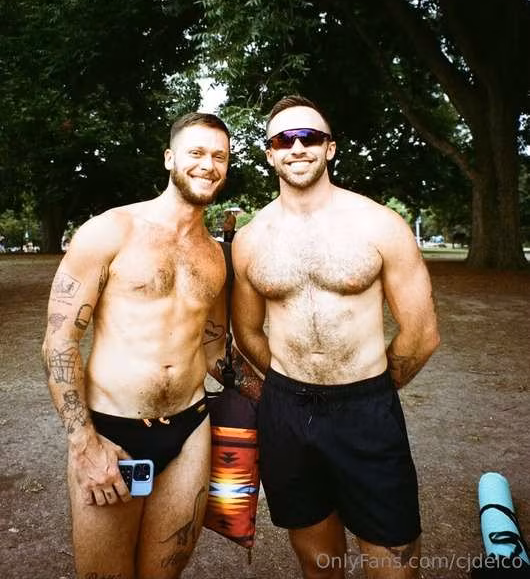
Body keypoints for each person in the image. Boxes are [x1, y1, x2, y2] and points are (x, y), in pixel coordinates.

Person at [231, 95, 440, 579]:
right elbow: (247, 330)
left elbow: (422, 333)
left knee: (394, 560)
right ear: (269, 154)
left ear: (330, 148)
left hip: (367, 408)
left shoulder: (379, 224)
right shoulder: (250, 238)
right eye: (284, 140)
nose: (297, 148)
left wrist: (371, 389)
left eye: (310, 137)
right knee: (318, 562)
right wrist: (286, 387)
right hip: (287, 414)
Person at [42, 112, 233, 579]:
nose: (208, 164)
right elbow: (60, 342)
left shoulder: (215, 255)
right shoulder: (111, 231)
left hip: (189, 430)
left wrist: (279, 395)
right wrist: (84, 444)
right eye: (196, 152)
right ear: (169, 158)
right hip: (112, 433)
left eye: (220, 156)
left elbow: (214, 349)